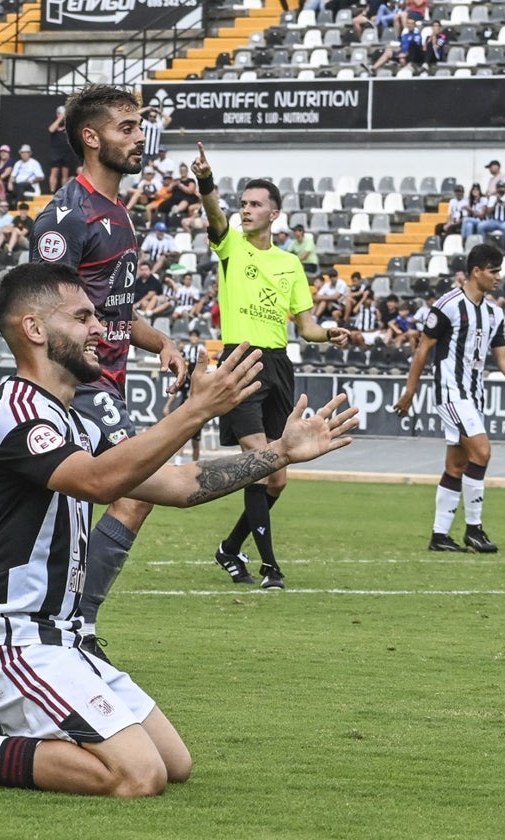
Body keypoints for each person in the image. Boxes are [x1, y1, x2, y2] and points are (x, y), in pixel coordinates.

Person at [0, 261, 359, 796]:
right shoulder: (15, 410)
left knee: (175, 763)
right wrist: (196, 411)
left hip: (65, 641)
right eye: (82, 317)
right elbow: (101, 483)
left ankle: (18, 725)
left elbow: (175, 485)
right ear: (35, 329)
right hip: (8, 641)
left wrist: (279, 453)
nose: (100, 328)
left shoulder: (75, 419)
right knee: (136, 776)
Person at [29, 84, 189, 658]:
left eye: (140, 124)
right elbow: (42, 312)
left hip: (109, 382)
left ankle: (61, 622)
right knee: (137, 490)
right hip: (78, 388)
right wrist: (56, 389)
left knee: (79, 510)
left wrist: (161, 342)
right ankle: (76, 623)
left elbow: (115, 310)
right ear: (91, 138)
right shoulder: (66, 218)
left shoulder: (117, 212)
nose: (139, 135)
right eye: (126, 126)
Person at [193, 141, 351, 589]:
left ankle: (228, 548)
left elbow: (306, 325)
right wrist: (206, 181)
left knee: (277, 478)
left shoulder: (290, 264)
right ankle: (270, 568)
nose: (246, 210)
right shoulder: (231, 246)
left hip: (279, 366)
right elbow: (214, 215)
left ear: (274, 214)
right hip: (239, 363)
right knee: (261, 461)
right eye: (242, 203)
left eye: (255, 204)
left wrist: (329, 332)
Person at [393, 243, 505, 553]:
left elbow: (503, 358)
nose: (498, 277)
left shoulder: (494, 312)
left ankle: (439, 536)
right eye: (494, 271)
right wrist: (410, 391)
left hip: (474, 395)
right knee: (483, 452)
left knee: (457, 464)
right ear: (476, 271)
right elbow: (423, 349)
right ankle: (474, 530)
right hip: (451, 392)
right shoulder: (447, 305)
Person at [163, 328, 208, 463]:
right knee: (181, 435)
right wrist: (167, 406)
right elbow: (176, 391)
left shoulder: (200, 381)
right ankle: (178, 460)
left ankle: (196, 464)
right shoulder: (185, 378)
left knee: (195, 440)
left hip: (197, 410)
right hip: (185, 408)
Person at [47, 105, 78, 193]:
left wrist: (66, 119)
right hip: (56, 152)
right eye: (60, 114)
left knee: (65, 173)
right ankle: (52, 192)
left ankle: (63, 193)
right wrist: (60, 118)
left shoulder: (68, 126)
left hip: (67, 152)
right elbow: (51, 129)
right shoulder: (55, 124)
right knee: (54, 172)